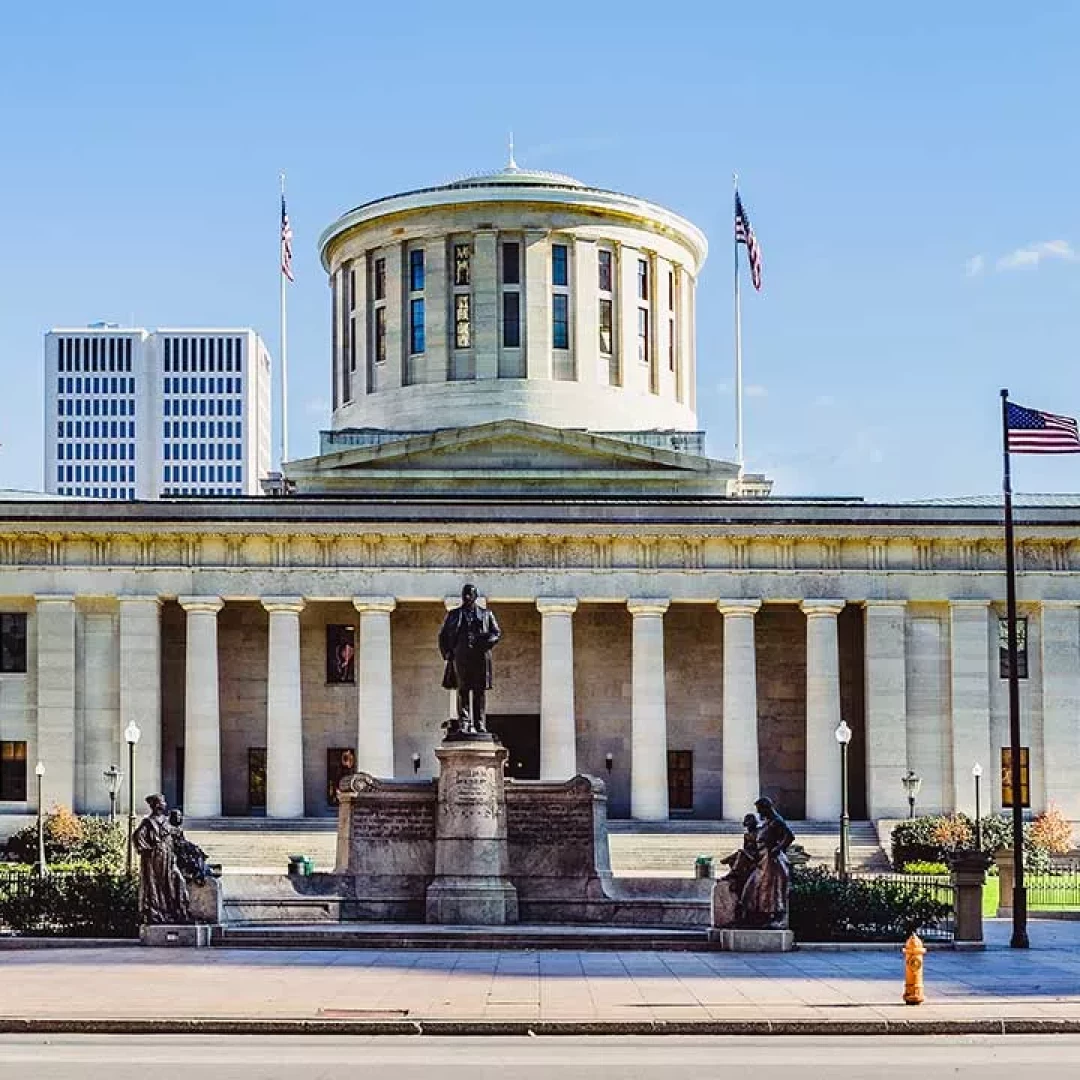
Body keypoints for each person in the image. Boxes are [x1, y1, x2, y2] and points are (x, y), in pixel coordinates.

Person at [438, 583, 502, 735]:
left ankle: (480, 724)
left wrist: (488, 642)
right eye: (465, 594)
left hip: (479, 656)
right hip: (460, 656)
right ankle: (464, 723)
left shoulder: (486, 614)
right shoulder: (454, 615)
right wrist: (447, 653)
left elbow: (496, 633)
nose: (467, 597)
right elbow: (443, 635)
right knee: (463, 690)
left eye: (470, 594)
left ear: (475, 596)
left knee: (479, 691)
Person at [738, 796, 795, 930]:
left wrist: (778, 848)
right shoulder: (767, 821)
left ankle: (774, 917)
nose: (759, 813)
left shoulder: (777, 821)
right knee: (754, 886)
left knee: (771, 889)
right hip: (763, 859)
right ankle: (756, 916)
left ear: (766, 808)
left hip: (771, 860)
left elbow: (789, 836)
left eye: (760, 810)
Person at [132, 794, 190, 925]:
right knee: (157, 885)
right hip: (155, 858)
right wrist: (149, 850)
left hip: (169, 857)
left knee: (176, 880)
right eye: (162, 802)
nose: (165, 804)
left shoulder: (167, 821)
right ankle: (159, 912)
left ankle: (176, 910)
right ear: (156, 805)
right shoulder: (148, 822)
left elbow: (178, 838)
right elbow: (137, 837)